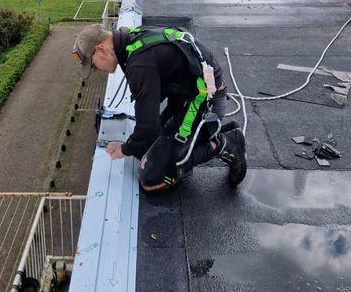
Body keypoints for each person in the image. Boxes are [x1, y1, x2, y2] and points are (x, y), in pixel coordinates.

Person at [72, 23, 247, 192]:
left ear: (101, 50)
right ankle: (210, 132)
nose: (95, 70)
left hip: (207, 105)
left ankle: (225, 143)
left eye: (93, 65)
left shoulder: (138, 63)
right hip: (189, 98)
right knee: (151, 146)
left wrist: (125, 149)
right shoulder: (133, 38)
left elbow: (147, 127)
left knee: (152, 177)